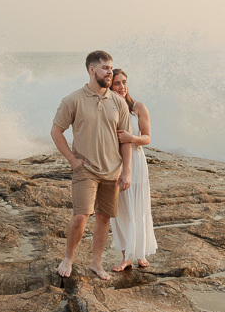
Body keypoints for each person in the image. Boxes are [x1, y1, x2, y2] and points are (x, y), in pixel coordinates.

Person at [51, 51, 132, 280]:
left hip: (112, 171)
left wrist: (126, 171)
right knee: (81, 215)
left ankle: (96, 263)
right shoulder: (73, 100)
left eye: (111, 68)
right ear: (91, 70)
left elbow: (125, 141)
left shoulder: (119, 103)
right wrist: (72, 160)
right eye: (105, 68)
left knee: (104, 217)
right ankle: (68, 258)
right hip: (85, 169)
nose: (109, 72)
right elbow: (56, 131)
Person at [110, 68, 157, 271]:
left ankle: (139, 253)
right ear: (110, 86)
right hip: (114, 162)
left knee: (138, 207)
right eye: (117, 83)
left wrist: (132, 138)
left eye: (124, 82)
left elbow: (147, 137)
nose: (121, 87)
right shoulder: (108, 107)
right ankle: (125, 256)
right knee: (120, 210)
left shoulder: (137, 107)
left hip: (136, 162)